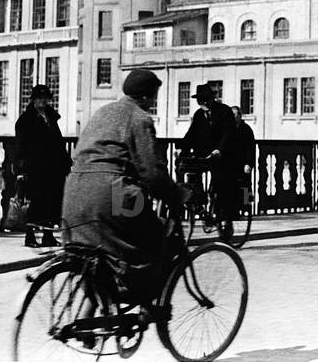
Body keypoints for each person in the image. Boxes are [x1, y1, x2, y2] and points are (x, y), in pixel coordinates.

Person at [61, 69, 186, 302]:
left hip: (74, 192)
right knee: (158, 234)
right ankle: (145, 302)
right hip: (114, 192)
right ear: (147, 97)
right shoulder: (140, 118)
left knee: (95, 253)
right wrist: (176, 195)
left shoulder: (103, 113)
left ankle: (97, 315)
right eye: (155, 96)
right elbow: (152, 173)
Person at [14, 84, 71, 248]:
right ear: (33, 100)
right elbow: (20, 146)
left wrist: (66, 163)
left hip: (53, 168)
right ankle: (30, 236)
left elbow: (59, 143)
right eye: (39, 98)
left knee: (52, 202)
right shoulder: (25, 120)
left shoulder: (51, 118)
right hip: (35, 168)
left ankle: (48, 235)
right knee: (35, 201)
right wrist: (21, 169)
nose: (43, 101)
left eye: (45, 98)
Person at [179, 84, 237, 241]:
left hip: (221, 156)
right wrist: (182, 150)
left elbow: (228, 133)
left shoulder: (224, 112)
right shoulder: (199, 115)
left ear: (212, 99)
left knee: (220, 185)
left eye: (205, 100)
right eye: (200, 101)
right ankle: (201, 207)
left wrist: (220, 150)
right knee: (193, 177)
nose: (203, 104)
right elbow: (191, 135)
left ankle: (224, 219)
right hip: (203, 155)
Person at [230, 105, 256, 201]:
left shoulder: (246, 129)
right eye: (232, 115)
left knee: (246, 187)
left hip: (243, 163)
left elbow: (250, 148)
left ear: (240, 116)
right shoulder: (228, 128)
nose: (235, 117)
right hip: (231, 163)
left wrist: (248, 163)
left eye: (237, 114)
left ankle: (247, 207)